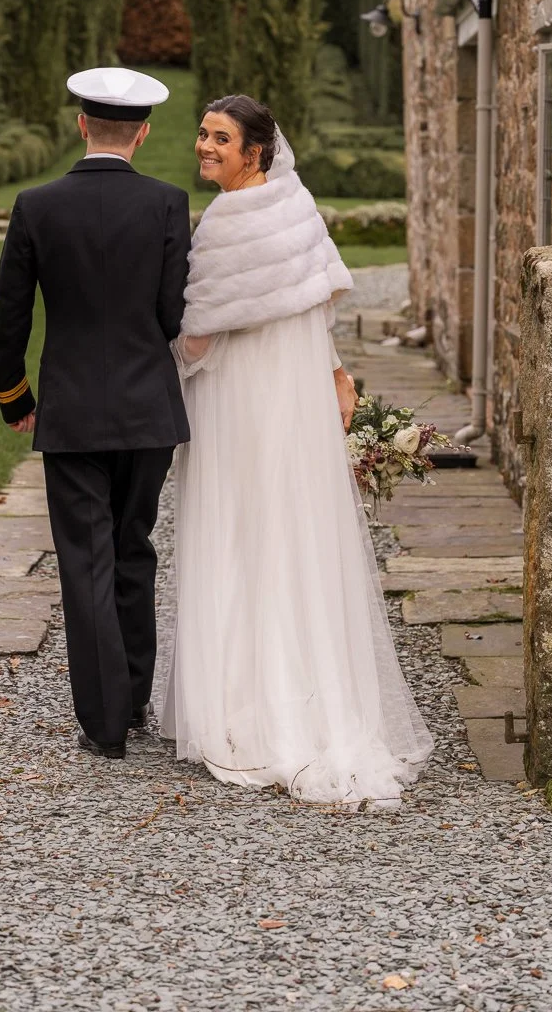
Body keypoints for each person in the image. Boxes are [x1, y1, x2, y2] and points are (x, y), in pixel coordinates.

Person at [159, 94, 434, 807]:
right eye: (202, 133)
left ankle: (248, 708)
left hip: (238, 398)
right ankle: (303, 695)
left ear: (255, 152)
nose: (204, 146)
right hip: (286, 394)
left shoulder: (224, 221)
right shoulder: (298, 206)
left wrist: (157, 356)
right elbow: (315, 306)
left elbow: (199, 335)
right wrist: (335, 373)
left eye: (220, 138)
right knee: (286, 534)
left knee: (240, 534)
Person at [0, 67, 191, 760]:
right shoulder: (168, 204)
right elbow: (172, 314)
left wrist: (15, 397)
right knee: (133, 547)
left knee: (86, 560)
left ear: (81, 125)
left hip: (72, 414)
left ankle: (104, 723)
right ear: (142, 132)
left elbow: (8, 316)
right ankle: (132, 696)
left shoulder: (35, 205)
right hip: (147, 412)